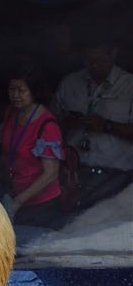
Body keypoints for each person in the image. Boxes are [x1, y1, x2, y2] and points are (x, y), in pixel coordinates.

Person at [53, 35, 133, 210]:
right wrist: (67, 122)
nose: (94, 65)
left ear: (113, 54)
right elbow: (48, 126)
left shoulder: (129, 86)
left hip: (118, 176)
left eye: (100, 60)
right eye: (89, 60)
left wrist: (107, 126)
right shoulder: (69, 84)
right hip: (74, 175)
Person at [0, 68, 65, 228]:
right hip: (15, 195)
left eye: (21, 90)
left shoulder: (47, 125)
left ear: (34, 91)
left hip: (42, 206)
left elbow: (51, 174)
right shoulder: (11, 113)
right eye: (12, 89)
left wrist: (18, 201)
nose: (15, 95)